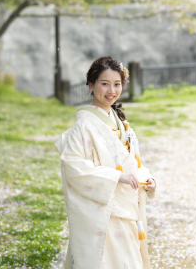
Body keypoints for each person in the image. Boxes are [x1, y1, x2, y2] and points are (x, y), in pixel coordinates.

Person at [55, 56, 156, 269]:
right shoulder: (84, 125)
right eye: (104, 83)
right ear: (91, 85)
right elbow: (74, 167)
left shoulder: (122, 124)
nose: (111, 90)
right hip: (102, 212)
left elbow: (132, 162)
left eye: (117, 84)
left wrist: (147, 178)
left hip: (126, 208)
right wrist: (117, 177)